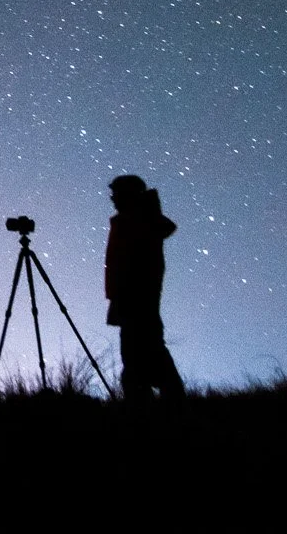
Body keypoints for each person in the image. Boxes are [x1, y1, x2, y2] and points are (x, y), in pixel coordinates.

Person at [105, 173, 186, 403]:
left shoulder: (139, 220)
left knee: (143, 358)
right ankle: (156, 405)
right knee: (139, 359)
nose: (112, 199)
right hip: (132, 299)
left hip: (137, 300)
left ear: (128, 195)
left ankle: (156, 410)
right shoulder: (135, 219)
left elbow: (135, 263)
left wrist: (125, 296)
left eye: (116, 194)